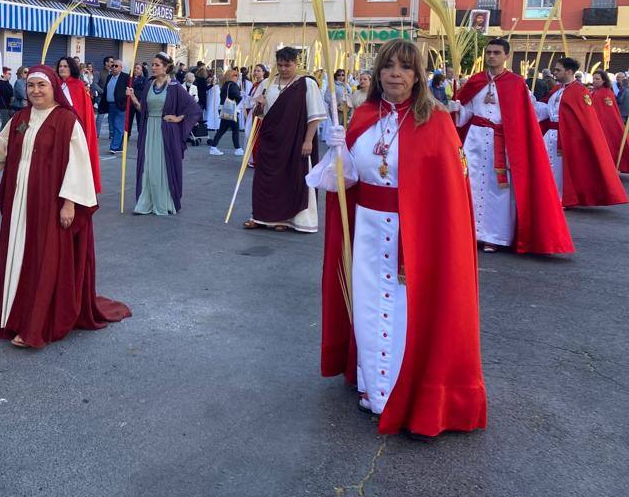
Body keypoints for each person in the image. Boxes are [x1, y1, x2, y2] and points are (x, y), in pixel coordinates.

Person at [320, 39, 487, 438]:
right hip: (367, 232)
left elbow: (447, 193)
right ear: (378, 72)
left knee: (403, 313)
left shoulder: (437, 120)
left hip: (416, 236)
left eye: (406, 68)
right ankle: (372, 389)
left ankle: (401, 392)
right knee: (366, 306)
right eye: (389, 66)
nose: (396, 73)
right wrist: (336, 153)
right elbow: (344, 184)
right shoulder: (361, 116)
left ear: (418, 77)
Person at [0, 65, 130, 348]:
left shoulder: (66, 121)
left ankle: (36, 324)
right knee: (19, 254)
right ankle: (14, 316)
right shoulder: (21, 118)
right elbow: (1, 156)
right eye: (31, 86)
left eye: (42, 86)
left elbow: (78, 166)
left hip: (50, 201)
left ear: (53, 88)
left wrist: (68, 204)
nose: (36, 91)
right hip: (20, 200)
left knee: (43, 257)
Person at [451, 38, 573, 255]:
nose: (491, 56)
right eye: (488, 52)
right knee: (471, 185)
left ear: (506, 56)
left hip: (502, 142)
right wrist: (457, 108)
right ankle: (471, 232)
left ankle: (494, 236)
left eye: (497, 53)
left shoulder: (516, 83)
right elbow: (467, 113)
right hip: (475, 141)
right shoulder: (476, 80)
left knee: (499, 189)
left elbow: (527, 113)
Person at [244, 47, 326, 233]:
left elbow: (315, 116)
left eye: (287, 65)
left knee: (291, 179)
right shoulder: (268, 83)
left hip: (295, 139)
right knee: (265, 179)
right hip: (270, 139)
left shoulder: (306, 84)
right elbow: (260, 114)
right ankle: (262, 217)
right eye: (279, 65)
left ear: (296, 63)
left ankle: (287, 219)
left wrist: (308, 141)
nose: (283, 69)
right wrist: (259, 105)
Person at [537, 57, 628, 208]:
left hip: (566, 139)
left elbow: (586, 121)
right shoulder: (556, 90)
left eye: (558, 70)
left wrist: (577, 139)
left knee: (560, 170)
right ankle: (548, 195)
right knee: (547, 167)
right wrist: (530, 101)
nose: (554, 72)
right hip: (550, 137)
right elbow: (547, 110)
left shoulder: (580, 92)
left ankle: (560, 198)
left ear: (569, 71)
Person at [127, 52, 202, 215]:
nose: (153, 68)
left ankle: (164, 201)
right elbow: (143, 110)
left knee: (162, 165)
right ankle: (146, 202)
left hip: (166, 132)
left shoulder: (175, 86)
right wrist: (132, 97)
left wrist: (178, 118)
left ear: (166, 67)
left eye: (157, 65)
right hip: (149, 130)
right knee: (149, 166)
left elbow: (194, 108)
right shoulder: (149, 84)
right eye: (152, 65)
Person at [56, 57, 101, 193]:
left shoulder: (79, 86)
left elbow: (84, 112)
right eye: (60, 66)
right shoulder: (55, 85)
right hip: (58, 128)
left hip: (74, 129)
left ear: (72, 68)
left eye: (65, 66)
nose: (62, 68)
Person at [590, 70, 629, 174]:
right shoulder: (596, 92)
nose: (594, 81)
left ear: (603, 81)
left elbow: (608, 113)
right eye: (593, 78)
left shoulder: (605, 93)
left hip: (605, 127)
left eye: (597, 79)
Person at [209, 67, 244, 156]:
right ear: (231, 76)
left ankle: (213, 147)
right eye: (235, 75)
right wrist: (241, 98)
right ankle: (238, 149)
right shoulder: (233, 85)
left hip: (223, 109)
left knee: (222, 129)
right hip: (231, 109)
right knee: (235, 130)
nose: (237, 77)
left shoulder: (224, 85)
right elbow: (237, 97)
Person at [241, 64, 268, 167]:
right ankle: (251, 158)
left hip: (258, 112)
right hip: (252, 111)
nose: (256, 72)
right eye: (255, 71)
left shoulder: (264, 83)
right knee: (249, 135)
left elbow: (260, 98)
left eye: (258, 71)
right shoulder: (255, 84)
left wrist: (249, 99)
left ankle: (256, 159)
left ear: (263, 72)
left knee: (254, 135)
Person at [100, 59, 129, 154]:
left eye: (116, 66)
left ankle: (114, 147)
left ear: (121, 68)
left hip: (120, 105)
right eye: (113, 66)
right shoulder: (109, 77)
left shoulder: (125, 77)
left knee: (118, 126)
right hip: (111, 105)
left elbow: (129, 89)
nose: (114, 67)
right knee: (112, 126)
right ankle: (120, 146)